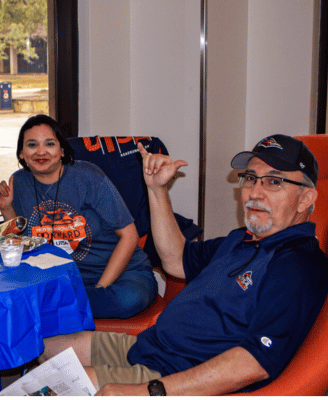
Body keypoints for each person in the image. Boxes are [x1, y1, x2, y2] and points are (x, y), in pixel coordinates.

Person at [41, 134, 328, 395]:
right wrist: (156, 189)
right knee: (40, 346)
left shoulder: (297, 264)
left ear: (305, 198)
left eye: (274, 181)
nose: (254, 192)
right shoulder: (243, 239)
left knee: (48, 385)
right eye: (251, 178)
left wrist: (150, 391)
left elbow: (254, 363)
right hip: (150, 346)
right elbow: (176, 261)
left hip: (172, 375)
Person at [0, 114, 157, 319]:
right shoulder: (19, 183)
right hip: (61, 279)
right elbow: (22, 244)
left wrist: (100, 288)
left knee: (127, 300)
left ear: (62, 151)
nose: (41, 152)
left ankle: (58, 307)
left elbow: (129, 236)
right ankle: (63, 306)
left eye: (49, 144)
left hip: (123, 274)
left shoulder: (87, 176)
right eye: (32, 145)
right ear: (21, 154)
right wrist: (6, 208)